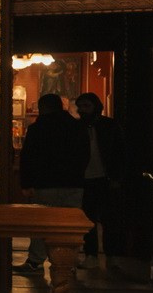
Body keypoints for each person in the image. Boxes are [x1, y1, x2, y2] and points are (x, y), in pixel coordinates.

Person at [17, 93, 89, 277]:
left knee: (42, 223)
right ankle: (67, 261)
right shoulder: (76, 126)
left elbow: (28, 157)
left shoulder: (37, 129)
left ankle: (35, 260)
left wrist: (26, 182)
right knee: (69, 225)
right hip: (73, 183)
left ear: (43, 108)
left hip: (45, 183)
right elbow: (85, 155)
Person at [74, 92, 130, 264]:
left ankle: (111, 253)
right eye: (80, 107)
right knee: (87, 218)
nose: (83, 110)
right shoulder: (76, 127)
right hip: (84, 179)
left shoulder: (109, 126)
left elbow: (120, 153)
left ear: (95, 107)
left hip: (105, 178)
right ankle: (91, 253)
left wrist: (117, 177)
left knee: (109, 218)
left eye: (87, 106)